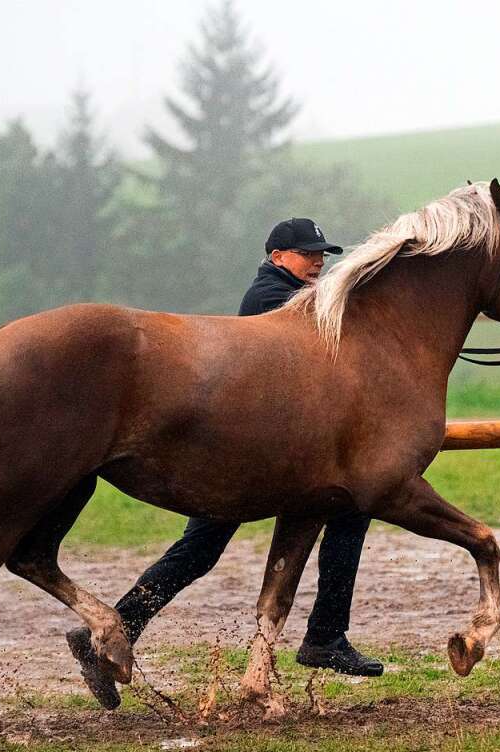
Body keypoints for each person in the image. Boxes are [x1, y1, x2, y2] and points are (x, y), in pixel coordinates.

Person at [67, 218, 382, 709]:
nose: (319, 261)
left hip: (260, 453)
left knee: (202, 551)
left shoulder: (291, 294)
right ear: (278, 256)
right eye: (307, 254)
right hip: (249, 456)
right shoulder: (271, 301)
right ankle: (324, 636)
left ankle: (120, 628)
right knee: (206, 548)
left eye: (322, 254)